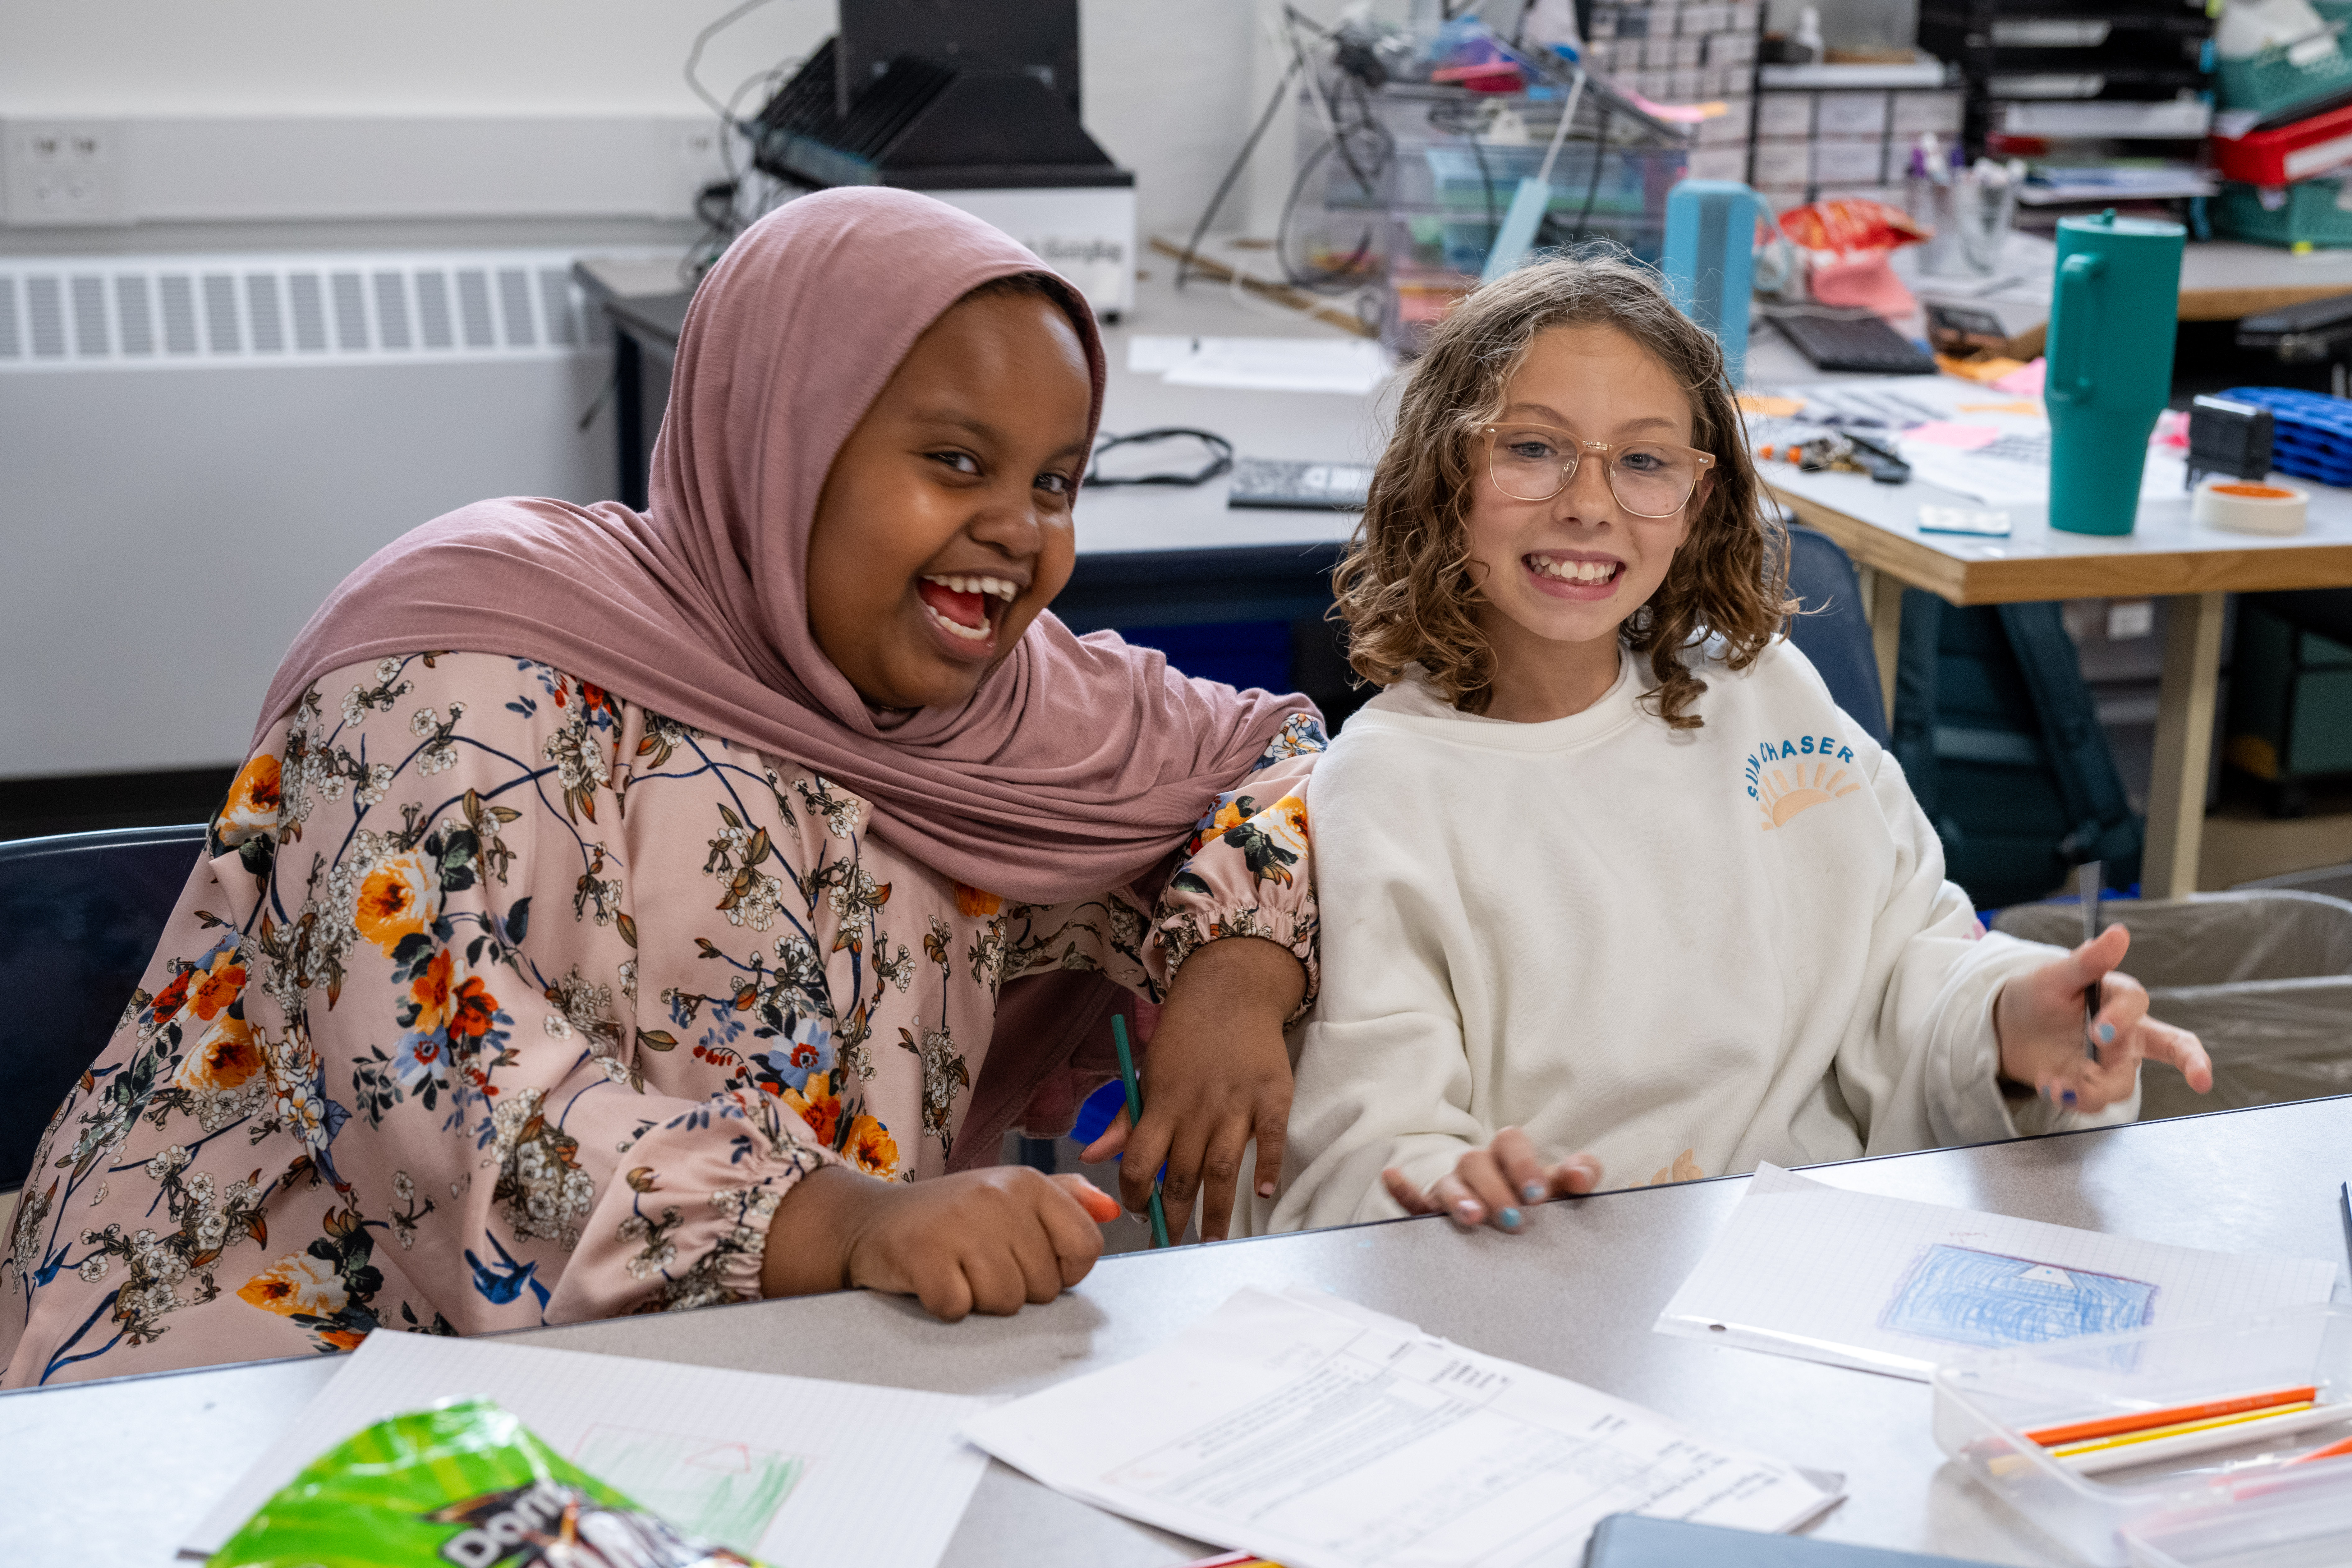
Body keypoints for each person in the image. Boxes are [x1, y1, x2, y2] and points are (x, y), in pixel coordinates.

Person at [2, 189, 1324, 1388]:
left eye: (1054, 481)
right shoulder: (462, 659)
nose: (1020, 532)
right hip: (291, 1363)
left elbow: (1282, 760)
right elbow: (445, 1096)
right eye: (956, 464)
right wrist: (840, 1220)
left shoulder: (1013, 707)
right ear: (782, 442)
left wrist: (1237, 970)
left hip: (769, 1367)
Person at [1265, 251, 2211, 1235]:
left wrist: (2008, 1022)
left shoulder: (1767, 697)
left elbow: (1907, 966)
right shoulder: (1390, 785)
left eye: (1644, 461)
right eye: (1532, 449)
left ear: (1700, 500)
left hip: (1820, 1263)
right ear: (1442, 472)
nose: (1590, 504)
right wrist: (1451, 1183)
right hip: (1570, 1293)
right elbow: (1364, 1140)